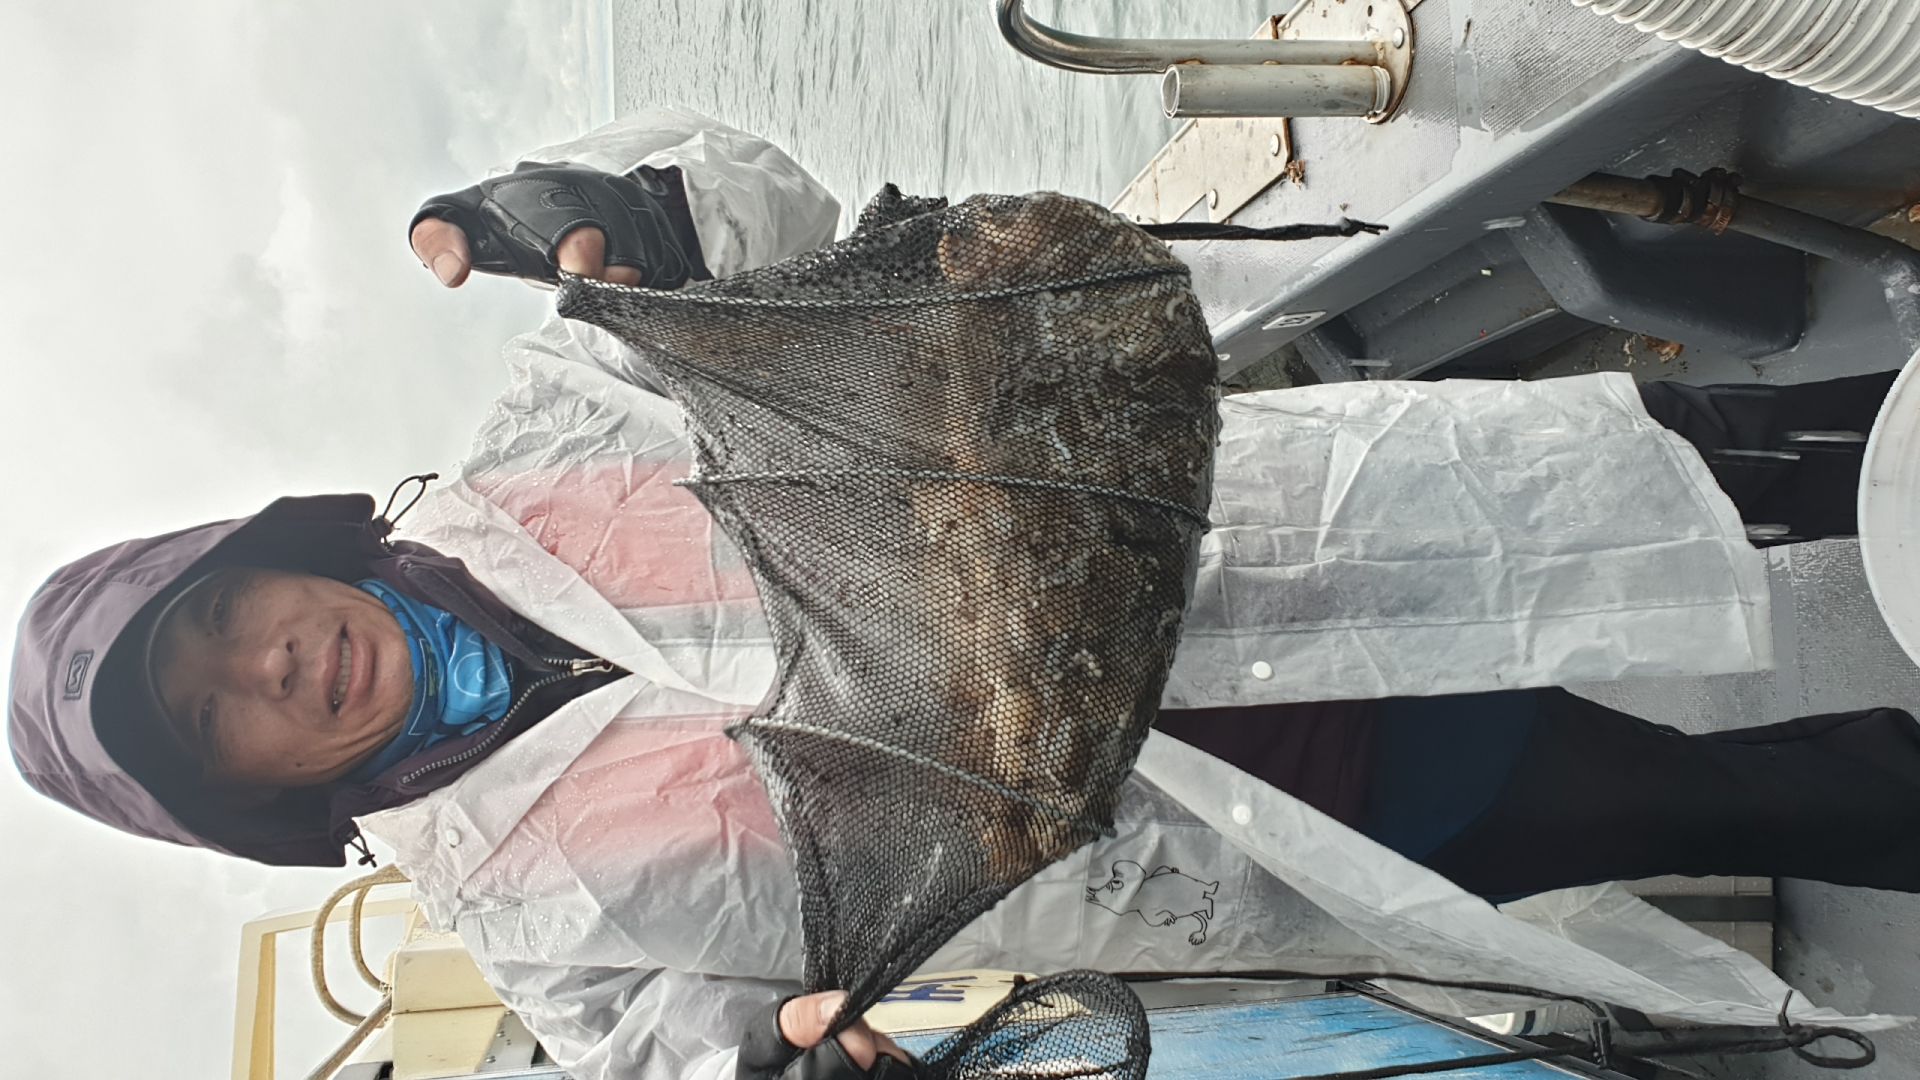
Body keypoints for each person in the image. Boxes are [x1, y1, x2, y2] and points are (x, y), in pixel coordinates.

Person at [10, 109, 1916, 1080]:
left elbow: (770, 212)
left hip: (1293, 529)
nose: (274, 663)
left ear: (267, 554)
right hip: (1294, 810)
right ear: (258, 795)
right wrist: (789, 1059)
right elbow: (681, 1057)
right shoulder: (538, 933)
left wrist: (620, 208)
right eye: (222, 715)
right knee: (1727, 802)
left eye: (224, 619)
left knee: (1750, 454)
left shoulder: (559, 417)